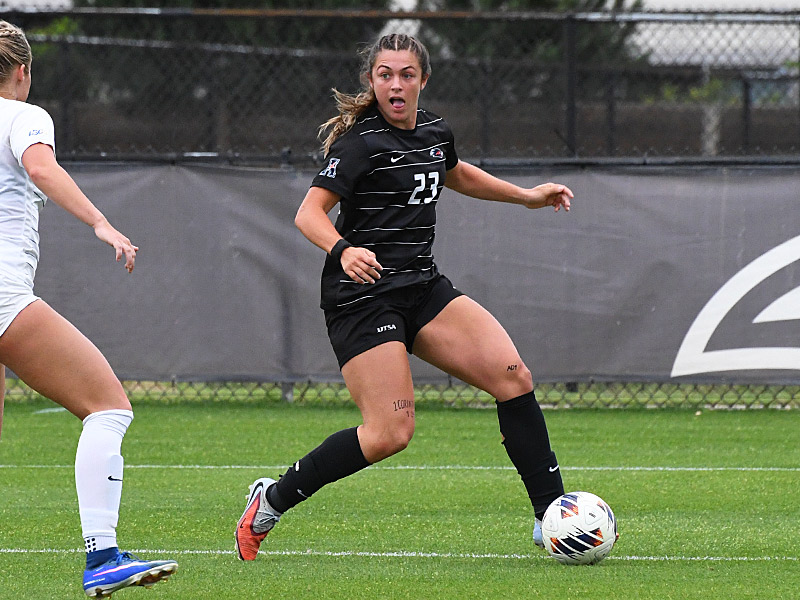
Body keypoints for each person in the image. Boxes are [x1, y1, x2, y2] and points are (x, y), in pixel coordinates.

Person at [235, 33, 572, 561]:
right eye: (385, 74)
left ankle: (550, 515)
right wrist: (343, 249)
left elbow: (455, 173)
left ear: (423, 80)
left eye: (406, 74)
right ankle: (272, 499)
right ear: (371, 81)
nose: (396, 84)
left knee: (513, 377)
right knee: (390, 433)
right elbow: (308, 213)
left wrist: (526, 196)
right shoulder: (360, 143)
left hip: (421, 288)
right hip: (363, 297)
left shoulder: (435, 131)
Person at [0, 21, 178, 598]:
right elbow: (40, 167)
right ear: (23, 71)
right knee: (108, 407)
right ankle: (102, 556)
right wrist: (101, 222)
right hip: (3, 296)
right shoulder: (24, 115)